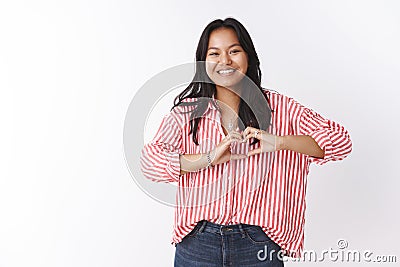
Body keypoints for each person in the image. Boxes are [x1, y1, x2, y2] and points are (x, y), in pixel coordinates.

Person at [140, 17, 352, 267]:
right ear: (203, 62)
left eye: (234, 51)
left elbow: (340, 142)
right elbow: (149, 163)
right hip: (198, 243)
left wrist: (281, 142)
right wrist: (207, 158)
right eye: (214, 53)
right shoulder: (188, 113)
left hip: (259, 243)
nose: (225, 61)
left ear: (248, 56)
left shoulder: (280, 108)